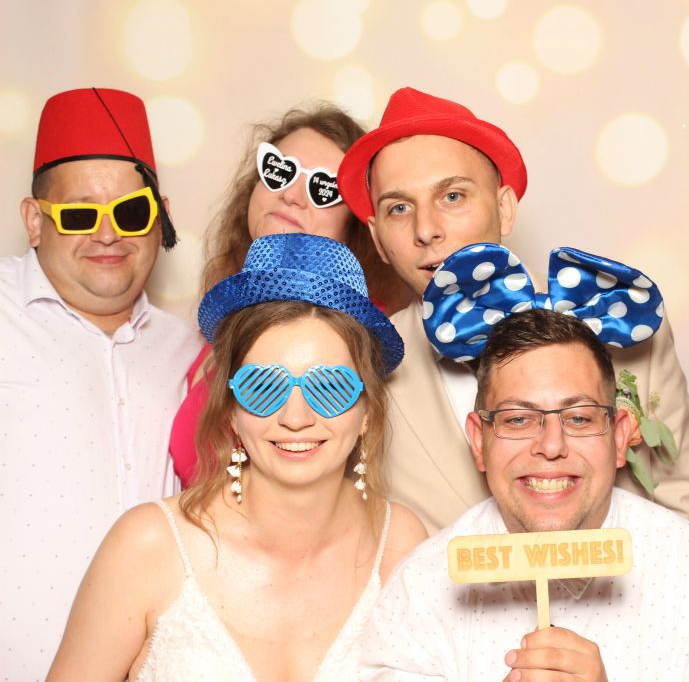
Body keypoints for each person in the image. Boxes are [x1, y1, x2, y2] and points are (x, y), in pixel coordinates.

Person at [337, 87, 689, 544]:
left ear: (504, 208)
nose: (426, 230)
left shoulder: (616, 318)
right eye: (399, 208)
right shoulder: (366, 361)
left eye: (452, 196)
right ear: (378, 238)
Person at [47, 233, 427, 680]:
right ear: (230, 409)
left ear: (367, 410)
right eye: (264, 387)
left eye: (330, 387)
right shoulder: (147, 546)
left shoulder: (400, 543)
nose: (296, 418)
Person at [358, 305, 689, 680]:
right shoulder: (419, 591)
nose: (552, 445)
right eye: (518, 419)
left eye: (579, 418)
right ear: (480, 442)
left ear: (619, 437)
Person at [0, 87, 201, 677]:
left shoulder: (189, 351)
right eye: (80, 215)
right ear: (35, 221)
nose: (108, 234)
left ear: (159, 215)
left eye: (131, 212)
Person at [170, 103, 412, 486]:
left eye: (323, 188)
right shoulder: (216, 320)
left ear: (356, 225)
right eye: (279, 171)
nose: (292, 196)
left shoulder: (368, 339)